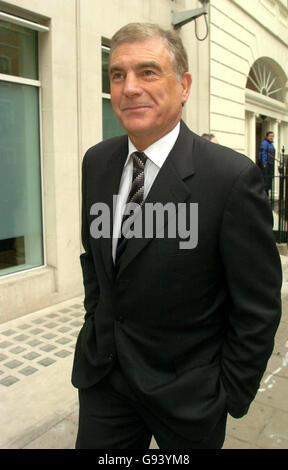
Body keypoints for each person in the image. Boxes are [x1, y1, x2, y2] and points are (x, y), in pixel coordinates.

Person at [71, 23, 282, 449]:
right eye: (117, 74)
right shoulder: (97, 162)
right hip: (106, 383)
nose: (129, 87)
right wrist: (97, 323)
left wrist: (227, 394)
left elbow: (257, 307)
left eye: (147, 72)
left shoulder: (230, 178)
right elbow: (95, 260)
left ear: (183, 86)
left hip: (189, 398)